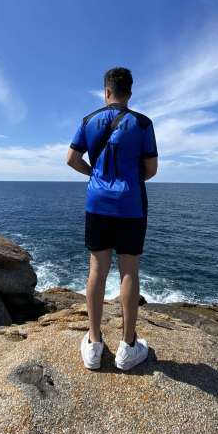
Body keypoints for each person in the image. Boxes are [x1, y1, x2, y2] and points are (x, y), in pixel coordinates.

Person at [66, 67, 158, 371]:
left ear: (106, 92)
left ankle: (94, 344)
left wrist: (95, 174)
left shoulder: (88, 120)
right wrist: (129, 181)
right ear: (129, 93)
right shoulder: (142, 123)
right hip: (131, 205)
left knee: (97, 269)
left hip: (98, 203)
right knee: (128, 271)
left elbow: (71, 159)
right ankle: (128, 347)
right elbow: (151, 169)